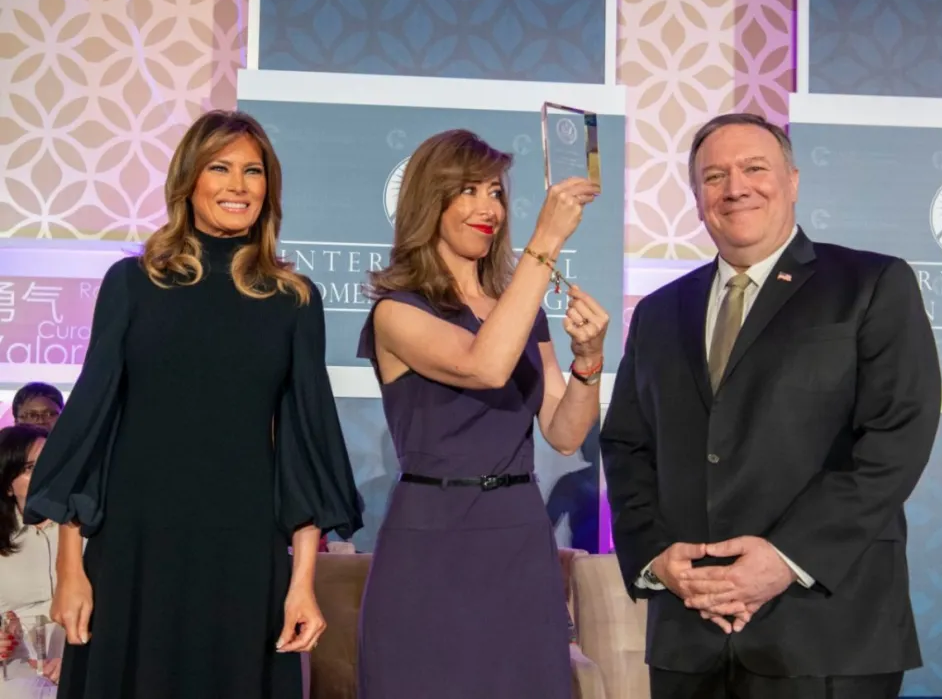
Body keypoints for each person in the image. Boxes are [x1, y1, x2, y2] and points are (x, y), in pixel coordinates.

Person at [23, 110, 363, 699]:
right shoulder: (133, 284)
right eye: (220, 168)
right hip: (134, 548)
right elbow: (92, 431)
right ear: (189, 180)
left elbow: (303, 449)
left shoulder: (292, 300)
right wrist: (70, 568)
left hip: (242, 550)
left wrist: (302, 582)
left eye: (253, 171)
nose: (239, 185)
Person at [601, 112, 941, 699]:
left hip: (825, 631)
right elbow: (627, 445)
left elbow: (896, 438)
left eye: (754, 168)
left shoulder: (871, 283)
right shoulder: (658, 312)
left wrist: (786, 558)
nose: (736, 188)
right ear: (697, 198)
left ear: (793, 180)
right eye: (714, 176)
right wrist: (656, 559)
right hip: (690, 633)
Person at [356, 129, 607, 699]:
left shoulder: (520, 311)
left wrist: (589, 361)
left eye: (495, 192)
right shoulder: (398, 312)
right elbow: (485, 366)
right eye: (467, 190)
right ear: (430, 202)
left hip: (518, 533)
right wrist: (547, 241)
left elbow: (565, 432)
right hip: (432, 537)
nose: (488, 207)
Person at [1, 424, 64, 699]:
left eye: (49, 461)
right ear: (8, 485)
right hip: (16, 666)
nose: (44, 473)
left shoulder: (85, 526)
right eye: (29, 468)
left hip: (83, 648)